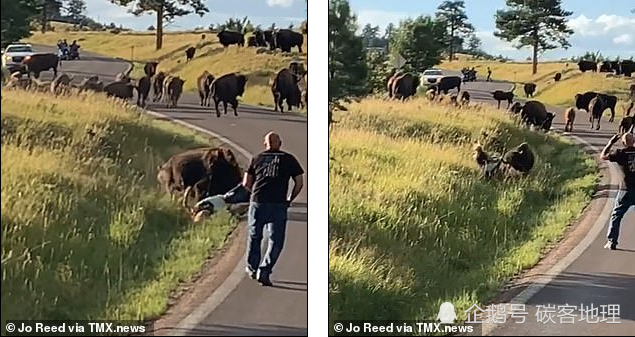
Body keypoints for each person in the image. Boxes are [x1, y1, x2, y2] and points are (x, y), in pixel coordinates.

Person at [242, 132, 304, 286]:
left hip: (259, 202)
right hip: (278, 203)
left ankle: (252, 268)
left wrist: (253, 195)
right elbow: (299, 182)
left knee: (255, 236)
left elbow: (246, 183)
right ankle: (265, 270)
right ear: (280, 143)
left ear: (265, 144)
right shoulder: (289, 159)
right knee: (276, 240)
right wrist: (290, 199)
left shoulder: (257, 158)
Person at [600, 132, 635, 250]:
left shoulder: (620, 153)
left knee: (616, 215)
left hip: (625, 190)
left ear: (623, 143)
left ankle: (612, 241)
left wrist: (611, 143)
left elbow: (603, 156)